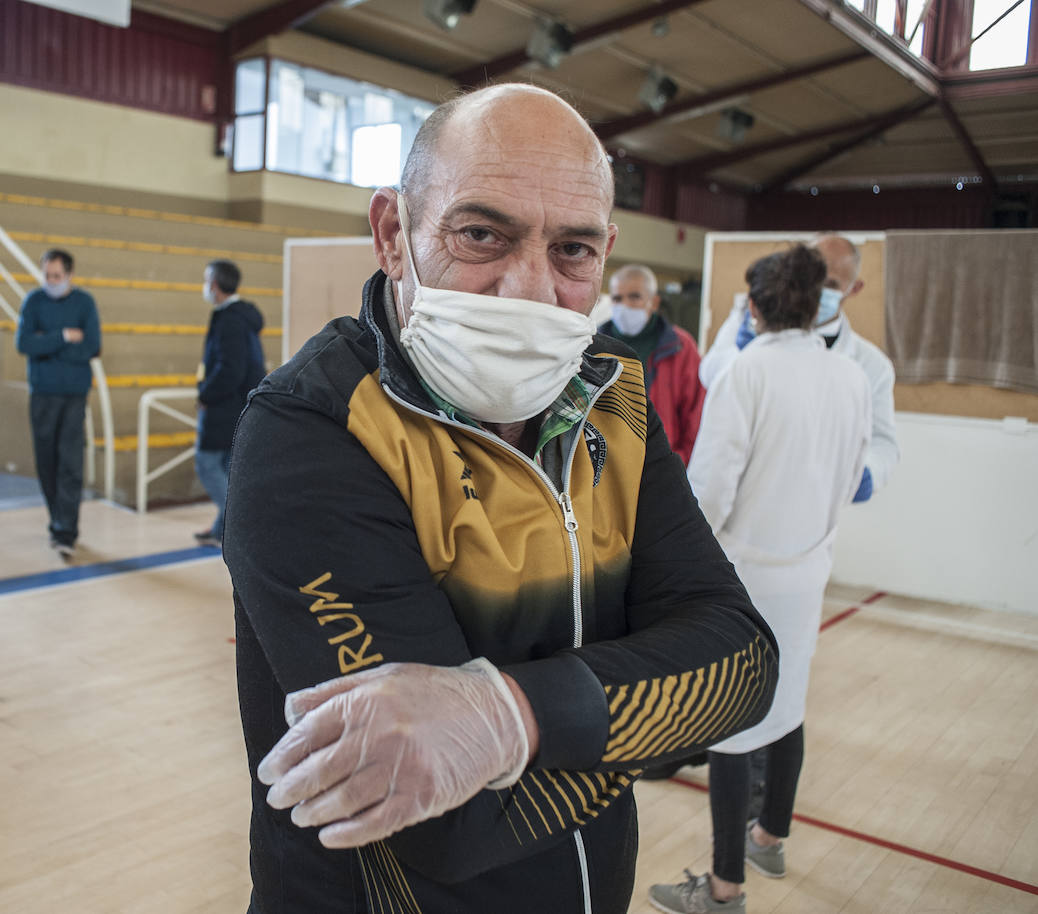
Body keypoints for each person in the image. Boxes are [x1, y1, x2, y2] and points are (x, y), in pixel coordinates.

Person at [224, 84, 778, 914]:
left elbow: (744, 662)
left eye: (572, 250)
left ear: (605, 253)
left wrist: (510, 719)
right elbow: (450, 822)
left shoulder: (615, 398)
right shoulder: (312, 431)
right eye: (482, 234)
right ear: (393, 234)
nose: (528, 288)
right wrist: (657, 716)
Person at [649, 246, 870, 914]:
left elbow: (712, 489)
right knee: (788, 705)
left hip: (743, 576)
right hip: (808, 569)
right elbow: (849, 480)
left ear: (753, 307)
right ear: (817, 303)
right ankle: (769, 838)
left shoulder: (745, 373)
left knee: (731, 726)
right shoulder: (850, 376)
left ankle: (723, 891)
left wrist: (676, 564)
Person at [700, 233, 898, 501]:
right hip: (748, 488)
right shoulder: (748, 323)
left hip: (817, 498)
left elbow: (883, 442)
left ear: (854, 288)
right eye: (811, 278)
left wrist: (866, 473)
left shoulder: (870, 366)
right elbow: (709, 374)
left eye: (829, 283)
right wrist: (744, 355)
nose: (815, 290)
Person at [15, 249, 100, 559]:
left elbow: (92, 346)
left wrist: (46, 344)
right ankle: (56, 520)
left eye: (57, 276)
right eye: (47, 275)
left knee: (70, 463)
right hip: (42, 394)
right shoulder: (33, 302)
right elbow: (25, 343)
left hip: (74, 396)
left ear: (69, 275)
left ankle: (67, 531)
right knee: (46, 462)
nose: (51, 281)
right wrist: (63, 336)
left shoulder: (85, 303)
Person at [598, 264, 705, 464]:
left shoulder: (680, 347)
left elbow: (696, 414)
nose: (625, 305)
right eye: (617, 298)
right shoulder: (594, 344)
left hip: (660, 462)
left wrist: (677, 464)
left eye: (634, 297)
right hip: (605, 462)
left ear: (654, 302)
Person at [192, 259, 264, 548]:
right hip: (239, 404)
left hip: (225, 405)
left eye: (206, 280)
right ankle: (222, 529)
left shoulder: (230, 320)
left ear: (215, 285)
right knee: (227, 467)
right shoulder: (240, 316)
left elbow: (230, 368)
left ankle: (239, 523)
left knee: (207, 464)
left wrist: (205, 395)